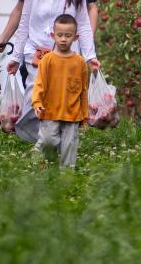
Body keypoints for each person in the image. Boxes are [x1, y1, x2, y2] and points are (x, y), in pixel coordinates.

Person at [7, 0, 100, 143]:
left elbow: (83, 24)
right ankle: (40, 140)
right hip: (37, 54)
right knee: (35, 99)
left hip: (67, 56)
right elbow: (24, 24)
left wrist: (90, 55)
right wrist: (16, 57)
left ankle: (53, 145)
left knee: (63, 100)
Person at [30, 13, 90, 168]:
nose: (63, 39)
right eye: (60, 35)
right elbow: (39, 84)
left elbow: (83, 90)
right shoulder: (47, 60)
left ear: (75, 38)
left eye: (68, 35)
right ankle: (44, 159)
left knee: (69, 147)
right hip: (50, 111)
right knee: (49, 141)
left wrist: (84, 116)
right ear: (53, 35)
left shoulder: (80, 62)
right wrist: (37, 103)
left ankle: (67, 178)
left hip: (72, 113)